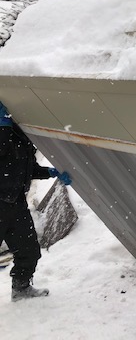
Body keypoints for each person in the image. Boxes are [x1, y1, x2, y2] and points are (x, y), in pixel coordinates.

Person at [0, 101, 72, 301]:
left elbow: (26, 168)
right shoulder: (5, 130)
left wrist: (49, 172)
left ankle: (21, 288)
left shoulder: (22, 136)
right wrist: (3, 126)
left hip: (16, 203)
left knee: (29, 250)